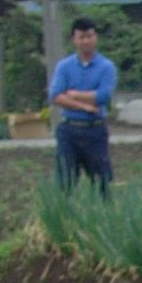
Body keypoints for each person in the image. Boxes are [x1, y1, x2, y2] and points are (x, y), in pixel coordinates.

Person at [48, 17, 117, 196]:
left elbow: (103, 96)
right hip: (69, 130)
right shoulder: (64, 66)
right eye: (81, 37)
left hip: (95, 130)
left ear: (96, 37)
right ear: (74, 39)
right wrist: (84, 106)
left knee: (102, 183)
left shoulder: (106, 66)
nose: (86, 41)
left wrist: (74, 94)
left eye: (89, 36)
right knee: (65, 183)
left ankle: (103, 212)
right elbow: (55, 95)